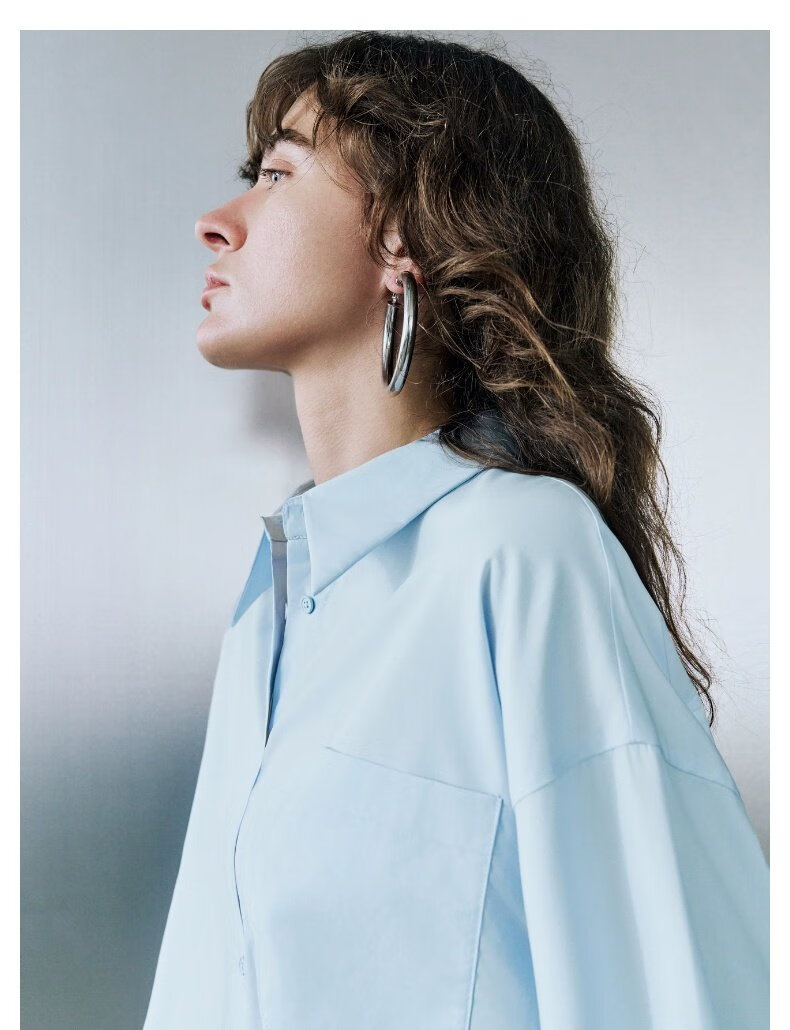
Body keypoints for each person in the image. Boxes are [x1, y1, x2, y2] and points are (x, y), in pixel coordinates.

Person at [144, 30, 769, 1030]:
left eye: (277, 176)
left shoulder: (524, 552)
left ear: (404, 235)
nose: (215, 224)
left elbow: (672, 990)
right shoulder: (271, 607)